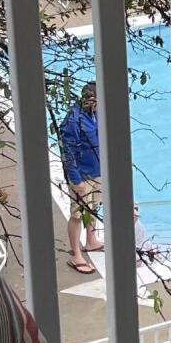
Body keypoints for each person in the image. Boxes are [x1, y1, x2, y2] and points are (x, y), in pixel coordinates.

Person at [58, 81, 101, 275]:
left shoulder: (95, 114)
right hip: (82, 175)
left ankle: (90, 241)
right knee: (77, 214)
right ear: (91, 100)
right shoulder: (73, 121)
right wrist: (77, 181)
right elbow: (68, 152)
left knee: (93, 207)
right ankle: (76, 255)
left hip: (97, 170)